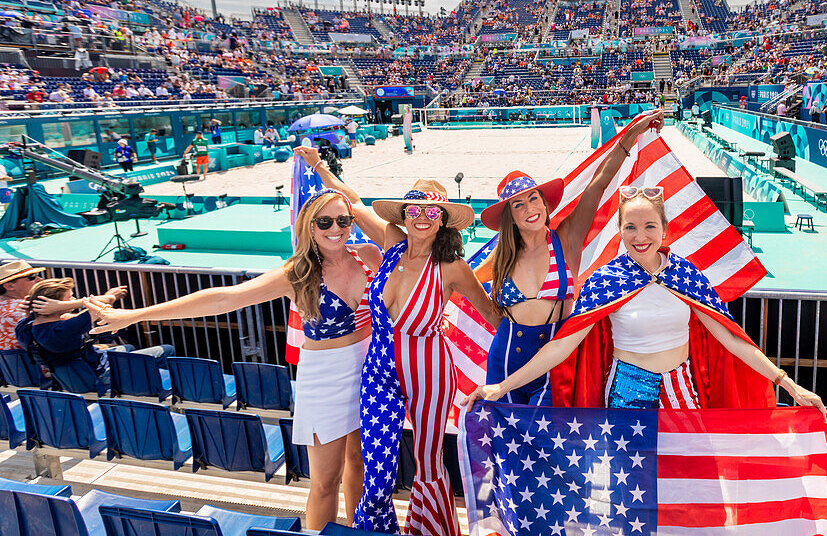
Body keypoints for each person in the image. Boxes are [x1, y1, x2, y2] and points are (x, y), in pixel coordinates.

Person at [86, 189, 380, 530]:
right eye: (325, 221)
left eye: (343, 220)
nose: (335, 228)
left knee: (358, 464)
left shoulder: (368, 255)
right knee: (326, 482)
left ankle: (357, 530)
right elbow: (223, 299)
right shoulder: (296, 274)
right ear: (308, 226)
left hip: (367, 372)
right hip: (326, 380)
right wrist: (135, 315)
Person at [464, 186, 825, 415]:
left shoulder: (686, 276)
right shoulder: (606, 281)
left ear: (665, 230)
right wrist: (501, 386)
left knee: (686, 486)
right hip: (625, 391)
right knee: (630, 492)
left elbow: (731, 339)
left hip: (682, 389)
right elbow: (560, 348)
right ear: (619, 231)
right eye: (630, 228)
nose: (640, 236)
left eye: (650, 226)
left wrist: (788, 384)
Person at [292, 148, 498, 536]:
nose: (421, 217)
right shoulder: (391, 243)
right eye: (414, 210)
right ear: (403, 216)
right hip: (380, 372)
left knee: (427, 460)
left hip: (431, 372)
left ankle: (430, 530)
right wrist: (320, 167)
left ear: (442, 221)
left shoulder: (451, 266)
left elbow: (492, 316)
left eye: (431, 211)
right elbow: (351, 202)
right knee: (377, 466)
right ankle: (378, 530)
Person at [477, 109, 665, 406]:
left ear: (544, 203)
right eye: (518, 205)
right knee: (506, 447)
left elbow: (598, 183)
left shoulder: (566, 239)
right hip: (503, 360)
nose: (529, 209)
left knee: (543, 441)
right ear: (510, 217)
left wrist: (630, 136)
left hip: (552, 364)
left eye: (533, 198)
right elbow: (469, 282)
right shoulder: (504, 257)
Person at [17, 278, 160, 394]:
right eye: (70, 297)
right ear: (53, 304)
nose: (74, 299)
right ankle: (153, 391)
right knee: (165, 350)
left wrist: (56, 308)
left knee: (127, 347)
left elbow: (75, 320)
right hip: (97, 376)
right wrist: (110, 295)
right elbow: (106, 301)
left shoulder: (25, 326)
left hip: (72, 379)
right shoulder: (62, 330)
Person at [0, 261, 45, 350]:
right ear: (9, 286)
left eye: (37, 274)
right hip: (33, 362)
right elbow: (65, 324)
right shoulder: (20, 310)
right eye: (31, 277)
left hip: (13, 362)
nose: (40, 279)